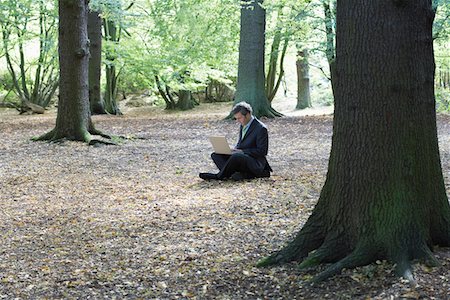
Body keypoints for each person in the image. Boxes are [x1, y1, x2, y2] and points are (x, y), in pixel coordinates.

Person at [199, 101, 272, 181]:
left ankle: (219, 176)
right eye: (236, 118)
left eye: (239, 118)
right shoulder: (243, 125)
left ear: (248, 114)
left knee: (236, 156)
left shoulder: (261, 128)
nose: (237, 121)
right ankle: (236, 174)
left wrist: (242, 152)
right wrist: (234, 150)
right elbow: (242, 143)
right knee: (216, 155)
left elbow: (262, 151)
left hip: (255, 162)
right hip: (242, 158)